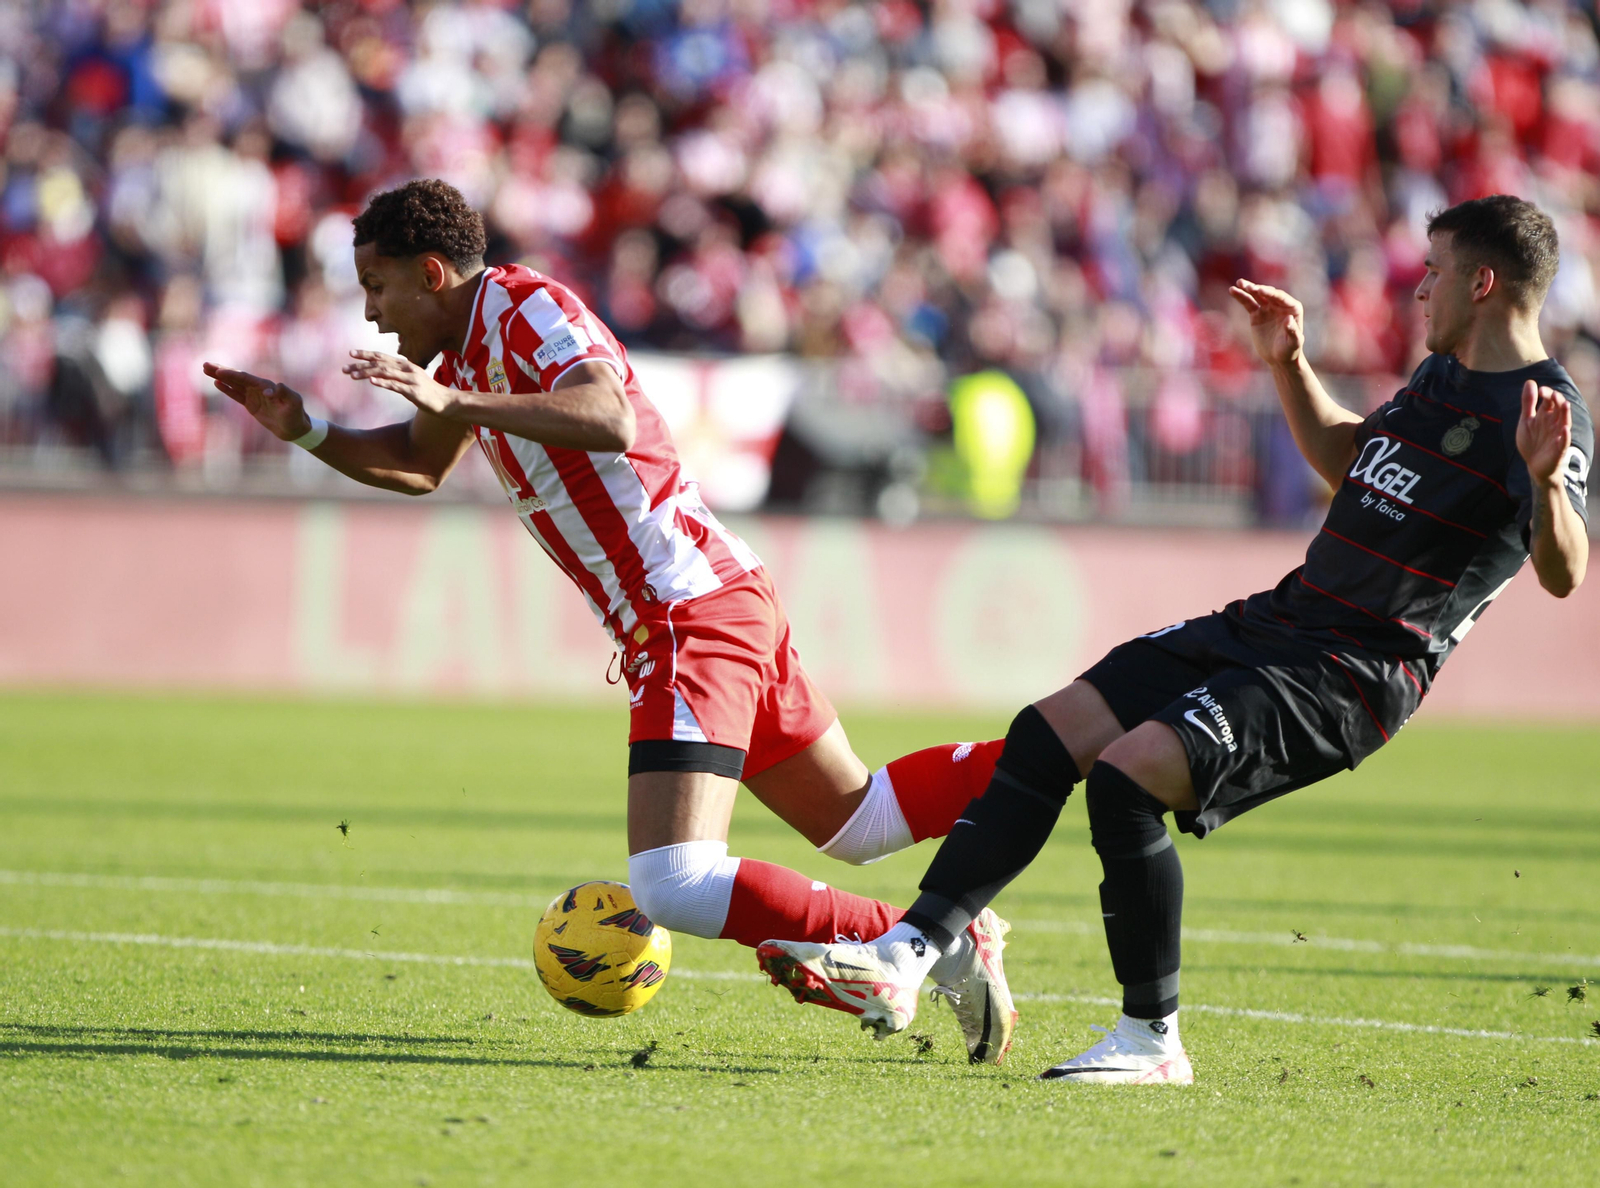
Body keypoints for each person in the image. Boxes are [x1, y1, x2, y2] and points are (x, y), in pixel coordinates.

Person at [755, 194, 1591, 1084]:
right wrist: (1290, 364)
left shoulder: (1542, 412)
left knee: (1127, 775)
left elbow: (1563, 570)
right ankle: (909, 952)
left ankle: (1152, 1041)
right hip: (1280, 619)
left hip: (1350, 672)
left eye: (1433, 271)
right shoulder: (1443, 378)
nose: (1419, 289)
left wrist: (1542, 484)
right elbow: (1352, 457)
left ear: (1483, 281)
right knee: (1052, 730)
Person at [203, 178, 1018, 1063]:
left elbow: (608, 414)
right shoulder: (467, 354)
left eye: (378, 286)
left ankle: (920, 935)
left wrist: (458, 405)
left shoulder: (524, 308)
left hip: (686, 609)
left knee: (672, 882)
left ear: (431, 272)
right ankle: (1065, 750)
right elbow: (416, 464)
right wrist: (309, 431)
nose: (372, 314)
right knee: (862, 823)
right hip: (714, 597)